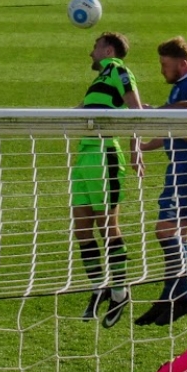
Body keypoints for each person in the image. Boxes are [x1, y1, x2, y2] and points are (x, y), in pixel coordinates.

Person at [136, 37, 187, 326]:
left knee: (165, 231)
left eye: (164, 65)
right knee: (179, 235)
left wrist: (156, 113)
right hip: (185, 165)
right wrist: (148, 144)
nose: (161, 70)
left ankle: (182, 295)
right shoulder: (184, 85)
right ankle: (170, 296)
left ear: (182, 63)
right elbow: (175, 125)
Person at [73, 32, 144, 328]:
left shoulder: (119, 70)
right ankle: (98, 286)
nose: (91, 52)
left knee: (107, 226)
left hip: (105, 155)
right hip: (84, 156)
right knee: (81, 229)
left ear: (108, 50)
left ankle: (119, 292)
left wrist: (135, 148)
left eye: (95, 46)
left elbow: (136, 111)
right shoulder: (99, 80)